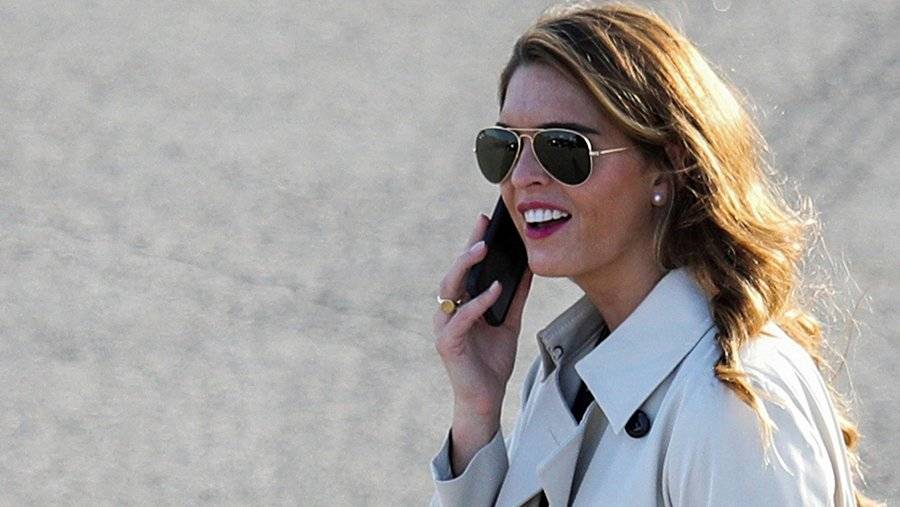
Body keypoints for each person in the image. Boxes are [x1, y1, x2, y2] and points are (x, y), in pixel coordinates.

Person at [429, 3, 880, 506]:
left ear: (667, 166)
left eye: (563, 148)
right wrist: (476, 412)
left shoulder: (731, 403)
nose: (522, 176)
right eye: (506, 146)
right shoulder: (568, 372)